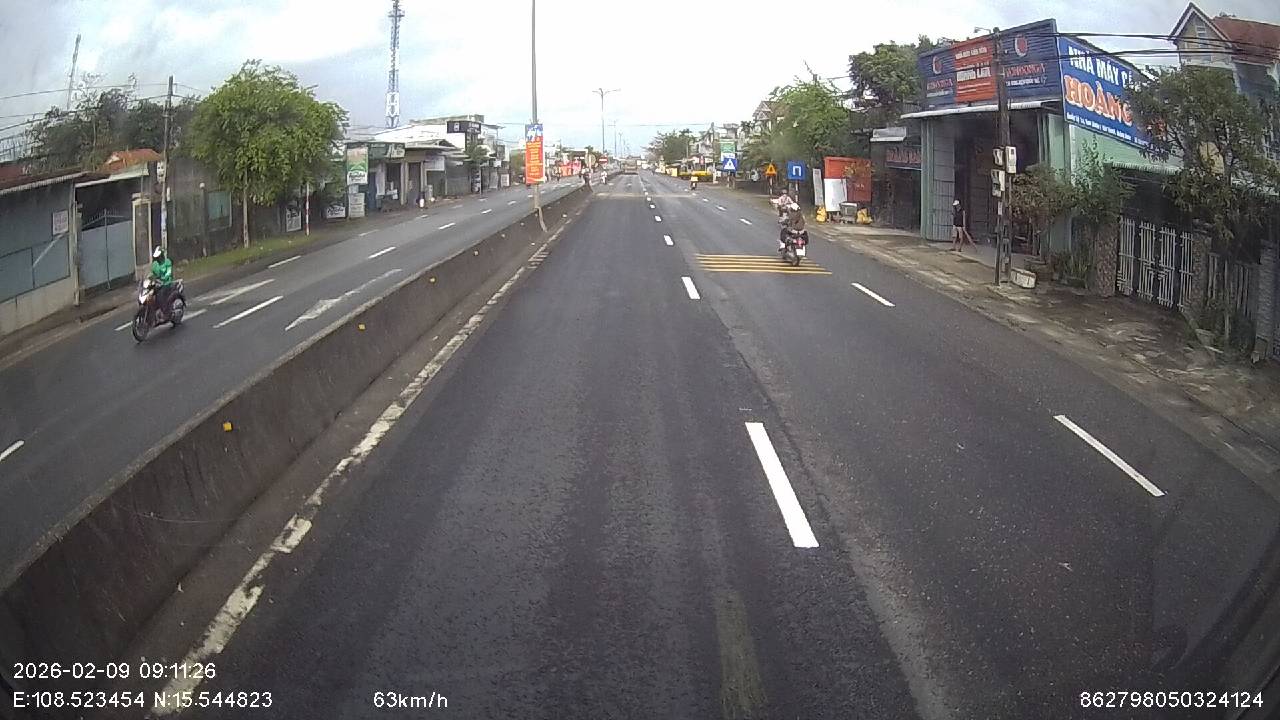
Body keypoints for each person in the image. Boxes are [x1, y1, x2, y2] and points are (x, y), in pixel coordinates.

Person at [149, 246, 176, 313]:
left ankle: (165, 310)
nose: (158, 258)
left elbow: (168, 273)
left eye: (159, 256)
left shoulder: (167, 262)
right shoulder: (155, 264)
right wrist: (149, 277)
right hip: (157, 283)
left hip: (167, 283)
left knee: (161, 294)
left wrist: (162, 279)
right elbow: (151, 273)